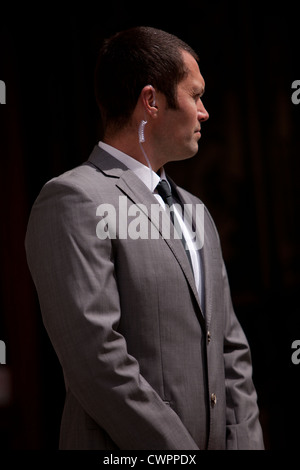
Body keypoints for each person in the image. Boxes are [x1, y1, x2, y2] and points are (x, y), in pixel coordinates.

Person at [25, 26, 264, 450]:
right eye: (195, 95)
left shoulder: (196, 210)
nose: (204, 112)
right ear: (152, 102)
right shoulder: (72, 198)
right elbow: (96, 361)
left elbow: (232, 353)